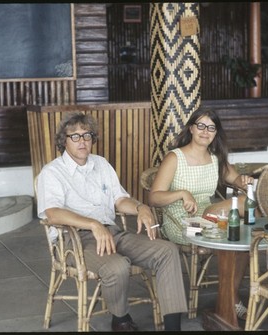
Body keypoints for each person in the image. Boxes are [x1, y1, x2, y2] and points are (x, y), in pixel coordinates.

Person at [36, 112, 188, 331]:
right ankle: (120, 318)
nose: (82, 141)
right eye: (75, 136)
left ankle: (173, 328)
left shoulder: (101, 164)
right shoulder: (52, 172)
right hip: (75, 240)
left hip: (112, 232)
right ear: (64, 141)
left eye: (87, 135)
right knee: (117, 266)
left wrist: (140, 207)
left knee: (167, 250)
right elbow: (52, 213)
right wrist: (93, 224)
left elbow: (120, 199)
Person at [148, 107, 253, 320]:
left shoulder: (215, 158)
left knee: (242, 243)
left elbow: (237, 180)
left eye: (211, 128)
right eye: (201, 126)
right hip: (182, 224)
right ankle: (230, 301)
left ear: (216, 133)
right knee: (236, 219)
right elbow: (154, 197)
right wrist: (181, 193)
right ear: (191, 128)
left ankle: (229, 297)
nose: (205, 131)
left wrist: (245, 181)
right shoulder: (175, 157)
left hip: (210, 218)